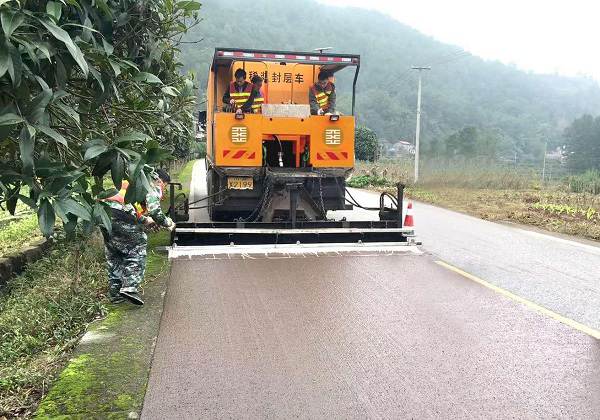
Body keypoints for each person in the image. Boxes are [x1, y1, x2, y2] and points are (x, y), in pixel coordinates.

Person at [102, 168, 175, 306]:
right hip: (120, 213)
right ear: (160, 180)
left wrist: (146, 221)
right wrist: (168, 223)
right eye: (164, 184)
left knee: (114, 251)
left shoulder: (131, 181)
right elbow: (155, 211)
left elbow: (131, 207)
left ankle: (116, 295)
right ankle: (130, 287)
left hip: (103, 212)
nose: (163, 188)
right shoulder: (151, 183)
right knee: (138, 244)